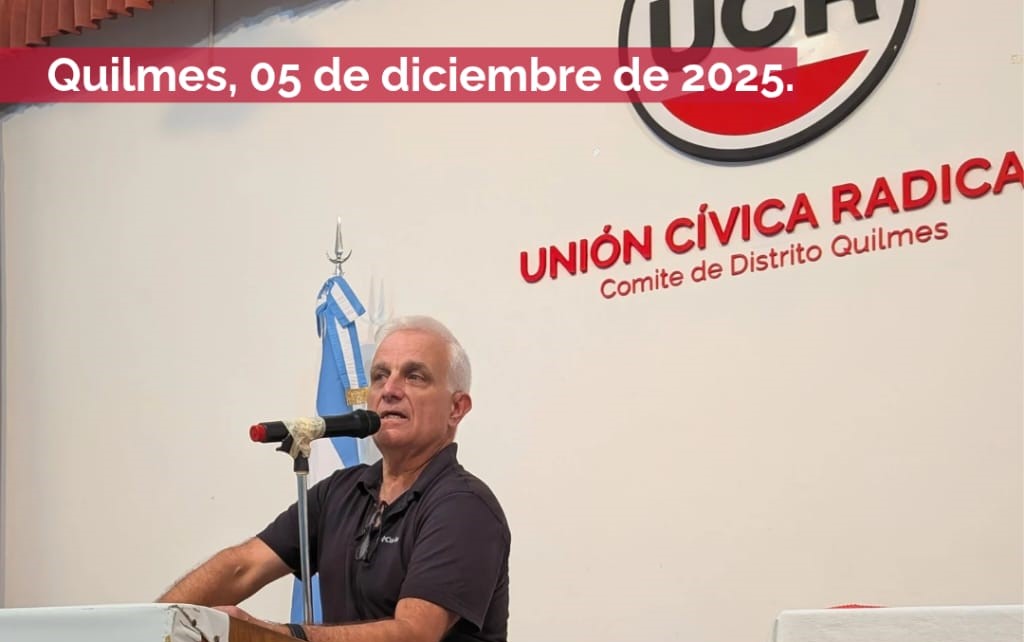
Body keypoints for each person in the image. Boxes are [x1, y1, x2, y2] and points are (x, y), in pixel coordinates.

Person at [157, 315, 511, 642]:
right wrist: (151, 624)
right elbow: (242, 567)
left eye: (414, 376)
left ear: (456, 408)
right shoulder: (341, 492)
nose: (389, 389)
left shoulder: (465, 507)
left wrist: (272, 635)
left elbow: (414, 634)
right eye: (379, 376)